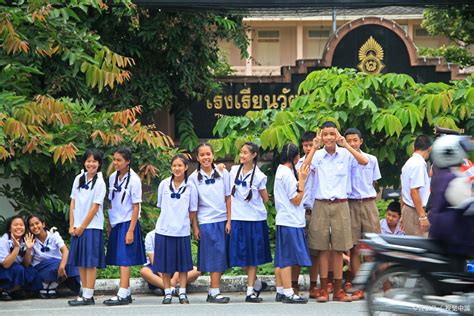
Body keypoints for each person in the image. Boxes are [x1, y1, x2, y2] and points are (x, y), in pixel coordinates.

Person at [307, 121, 369, 303]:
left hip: (341, 204)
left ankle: (338, 290)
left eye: (331, 134)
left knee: (339, 247)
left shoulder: (345, 154)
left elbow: (364, 161)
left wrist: (346, 144)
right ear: (321, 136)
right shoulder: (317, 155)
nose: (328, 138)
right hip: (321, 204)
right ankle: (324, 289)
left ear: (337, 135)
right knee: (323, 249)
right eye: (325, 134)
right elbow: (303, 169)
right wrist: (314, 147)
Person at [229, 142, 272, 303]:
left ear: (253, 155)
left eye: (245, 153)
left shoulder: (259, 176)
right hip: (237, 218)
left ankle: (250, 291)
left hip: (254, 219)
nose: (242, 155)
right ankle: (256, 283)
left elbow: (265, 198)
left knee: (253, 256)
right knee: (238, 255)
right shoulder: (233, 170)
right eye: (241, 152)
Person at [104, 147, 146, 306]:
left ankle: (122, 293)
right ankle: (126, 292)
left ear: (127, 162)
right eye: (114, 159)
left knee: (124, 259)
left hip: (128, 221)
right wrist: (109, 223)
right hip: (116, 221)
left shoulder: (134, 179)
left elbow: (136, 206)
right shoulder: (112, 177)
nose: (115, 163)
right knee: (119, 257)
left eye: (119, 160)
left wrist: (130, 230)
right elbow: (111, 202)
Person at [190, 143, 231, 303]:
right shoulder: (193, 178)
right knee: (215, 255)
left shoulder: (222, 172)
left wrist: (229, 220)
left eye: (208, 154)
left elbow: (228, 197)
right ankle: (214, 291)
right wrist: (195, 227)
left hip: (222, 220)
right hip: (207, 221)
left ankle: (214, 290)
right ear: (197, 158)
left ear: (213, 155)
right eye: (202, 155)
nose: (206, 157)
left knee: (223, 255)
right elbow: (193, 206)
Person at [154, 154, 198, 305]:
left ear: (186, 167)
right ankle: (167, 292)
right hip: (164, 229)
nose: (177, 168)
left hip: (182, 231)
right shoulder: (164, 184)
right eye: (174, 166)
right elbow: (160, 206)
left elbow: (193, 210)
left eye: (180, 166)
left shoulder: (191, 186)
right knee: (165, 264)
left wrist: (185, 223)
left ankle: (183, 292)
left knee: (183, 265)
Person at [344, 128, 381, 301]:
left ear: (361, 141)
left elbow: (374, 182)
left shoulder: (371, 159)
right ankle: (360, 287)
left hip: (368, 203)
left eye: (355, 140)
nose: (352, 143)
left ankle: (376, 283)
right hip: (350, 204)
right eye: (348, 140)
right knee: (354, 248)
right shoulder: (343, 160)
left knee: (373, 246)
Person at [67, 149, 107, 306]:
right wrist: (72, 225)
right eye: (88, 161)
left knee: (90, 262)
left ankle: (89, 295)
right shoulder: (79, 178)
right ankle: (84, 293)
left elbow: (95, 207)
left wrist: (82, 226)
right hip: (77, 227)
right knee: (81, 262)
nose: (91, 164)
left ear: (99, 164)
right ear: (84, 162)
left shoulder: (100, 182)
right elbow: (73, 202)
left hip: (92, 227)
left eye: (94, 161)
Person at [274, 143, 312, 304]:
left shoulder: (281, 170)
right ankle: (289, 292)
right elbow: (296, 200)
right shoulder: (288, 175)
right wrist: (302, 182)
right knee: (288, 258)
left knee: (283, 256)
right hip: (291, 220)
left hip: (285, 219)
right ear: (295, 157)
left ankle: (281, 290)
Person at [429, 135, 474, 256]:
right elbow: (468, 203)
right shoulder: (453, 180)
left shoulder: (440, 174)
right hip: (454, 236)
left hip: (443, 231)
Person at [292, 131, 319, 297]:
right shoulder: (300, 162)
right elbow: (303, 170)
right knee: (298, 250)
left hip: (317, 211)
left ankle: (314, 285)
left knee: (315, 251)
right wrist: (313, 151)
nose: (309, 148)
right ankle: (294, 284)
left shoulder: (323, 160)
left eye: (312, 144)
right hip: (301, 212)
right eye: (306, 145)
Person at [27, 215, 80, 299]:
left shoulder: (54, 235)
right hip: (41, 268)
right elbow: (27, 263)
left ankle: (51, 286)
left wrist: (62, 267)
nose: (35, 227)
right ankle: (46, 285)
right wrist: (29, 249)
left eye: (37, 223)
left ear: (43, 224)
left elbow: (65, 251)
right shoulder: (30, 240)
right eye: (32, 225)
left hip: (58, 265)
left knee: (70, 262)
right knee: (58, 263)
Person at [140, 229, 200, 296]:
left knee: (196, 271)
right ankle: (172, 289)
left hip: (174, 267)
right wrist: (164, 277)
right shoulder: (151, 235)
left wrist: (173, 280)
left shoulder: (178, 234)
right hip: (157, 269)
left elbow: (180, 260)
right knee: (144, 271)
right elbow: (153, 260)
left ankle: (163, 288)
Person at [0, 216, 41, 301]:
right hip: (4, 268)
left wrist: (29, 249)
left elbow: (26, 264)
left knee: (31, 271)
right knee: (18, 269)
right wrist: (16, 248)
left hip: (19, 267)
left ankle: (15, 290)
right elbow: (6, 264)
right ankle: (4, 290)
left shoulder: (26, 239)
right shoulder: (3, 240)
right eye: (15, 225)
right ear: (9, 229)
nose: (19, 227)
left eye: (21, 225)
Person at [400, 135, 432, 237]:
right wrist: (422, 217)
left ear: (414, 147)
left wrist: (403, 212)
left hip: (409, 209)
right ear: (429, 148)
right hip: (416, 212)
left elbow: (403, 189)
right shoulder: (418, 164)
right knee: (420, 247)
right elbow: (414, 191)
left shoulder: (409, 163)